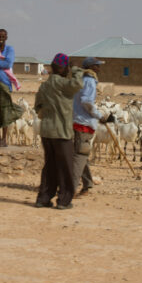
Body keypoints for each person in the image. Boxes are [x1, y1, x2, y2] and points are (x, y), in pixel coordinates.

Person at [34, 53, 84, 210]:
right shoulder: (64, 84)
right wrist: (76, 68)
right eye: (67, 67)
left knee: (49, 166)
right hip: (61, 132)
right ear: (62, 69)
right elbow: (77, 84)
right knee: (65, 167)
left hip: (46, 132)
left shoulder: (44, 86)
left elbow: (38, 107)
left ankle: (43, 198)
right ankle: (64, 200)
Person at [72, 57, 111, 197]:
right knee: (79, 156)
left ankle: (87, 184)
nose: (99, 69)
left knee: (81, 154)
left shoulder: (80, 79)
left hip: (77, 121)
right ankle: (72, 188)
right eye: (97, 66)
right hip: (84, 123)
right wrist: (100, 116)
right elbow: (87, 102)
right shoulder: (89, 81)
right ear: (92, 67)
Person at [0, 28, 23, 147]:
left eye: (3, 36)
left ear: (6, 38)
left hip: (5, 83)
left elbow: (8, 63)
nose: (1, 38)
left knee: (5, 110)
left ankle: (4, 139)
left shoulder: (10, 49)